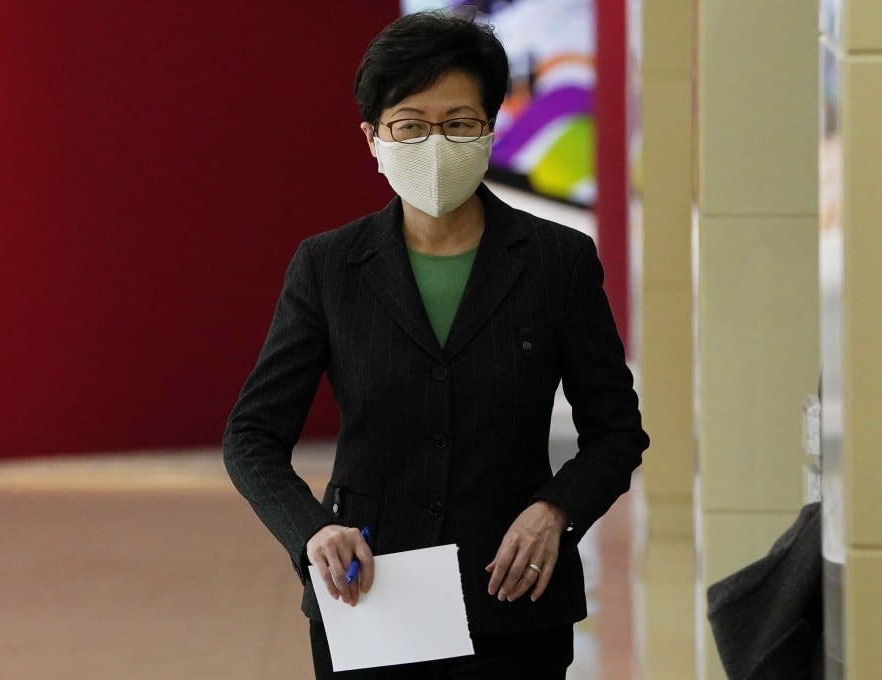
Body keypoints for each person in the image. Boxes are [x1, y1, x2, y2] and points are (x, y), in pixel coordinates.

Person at [223, 10, 649, 679]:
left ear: (490, 128)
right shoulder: (329, 267)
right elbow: (252, 436)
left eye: (459, 123)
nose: (435, 143)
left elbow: (617, 431)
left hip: (515, 595)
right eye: (411, 125)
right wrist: (312, 531)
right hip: (371, 594)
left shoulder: (556, 261)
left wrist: (556, 511)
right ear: (373, 137)